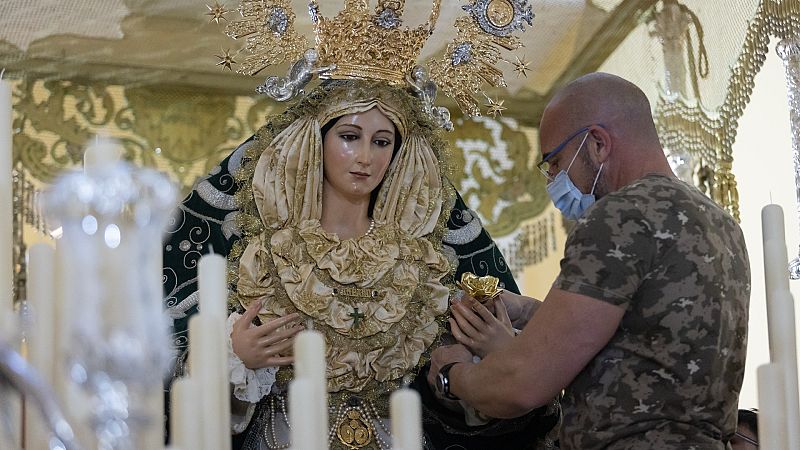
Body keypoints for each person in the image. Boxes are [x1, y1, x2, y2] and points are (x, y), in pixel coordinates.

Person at [162, 80, 560, 450]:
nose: (366, 158)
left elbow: (458, 395)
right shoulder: (261, 257)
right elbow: (175, 378)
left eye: (382, 142)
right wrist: (234, 359)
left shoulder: (425, 265)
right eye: (350, 137)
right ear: (315, 141)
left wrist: (490, 361)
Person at [429, 72, 751, 449]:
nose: (551, 176)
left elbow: (521, 384)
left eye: (554, 160)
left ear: (597, 143)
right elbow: (639, 329)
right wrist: (529, 312)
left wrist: (453, 375)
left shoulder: (620, 216)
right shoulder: (720, 222)